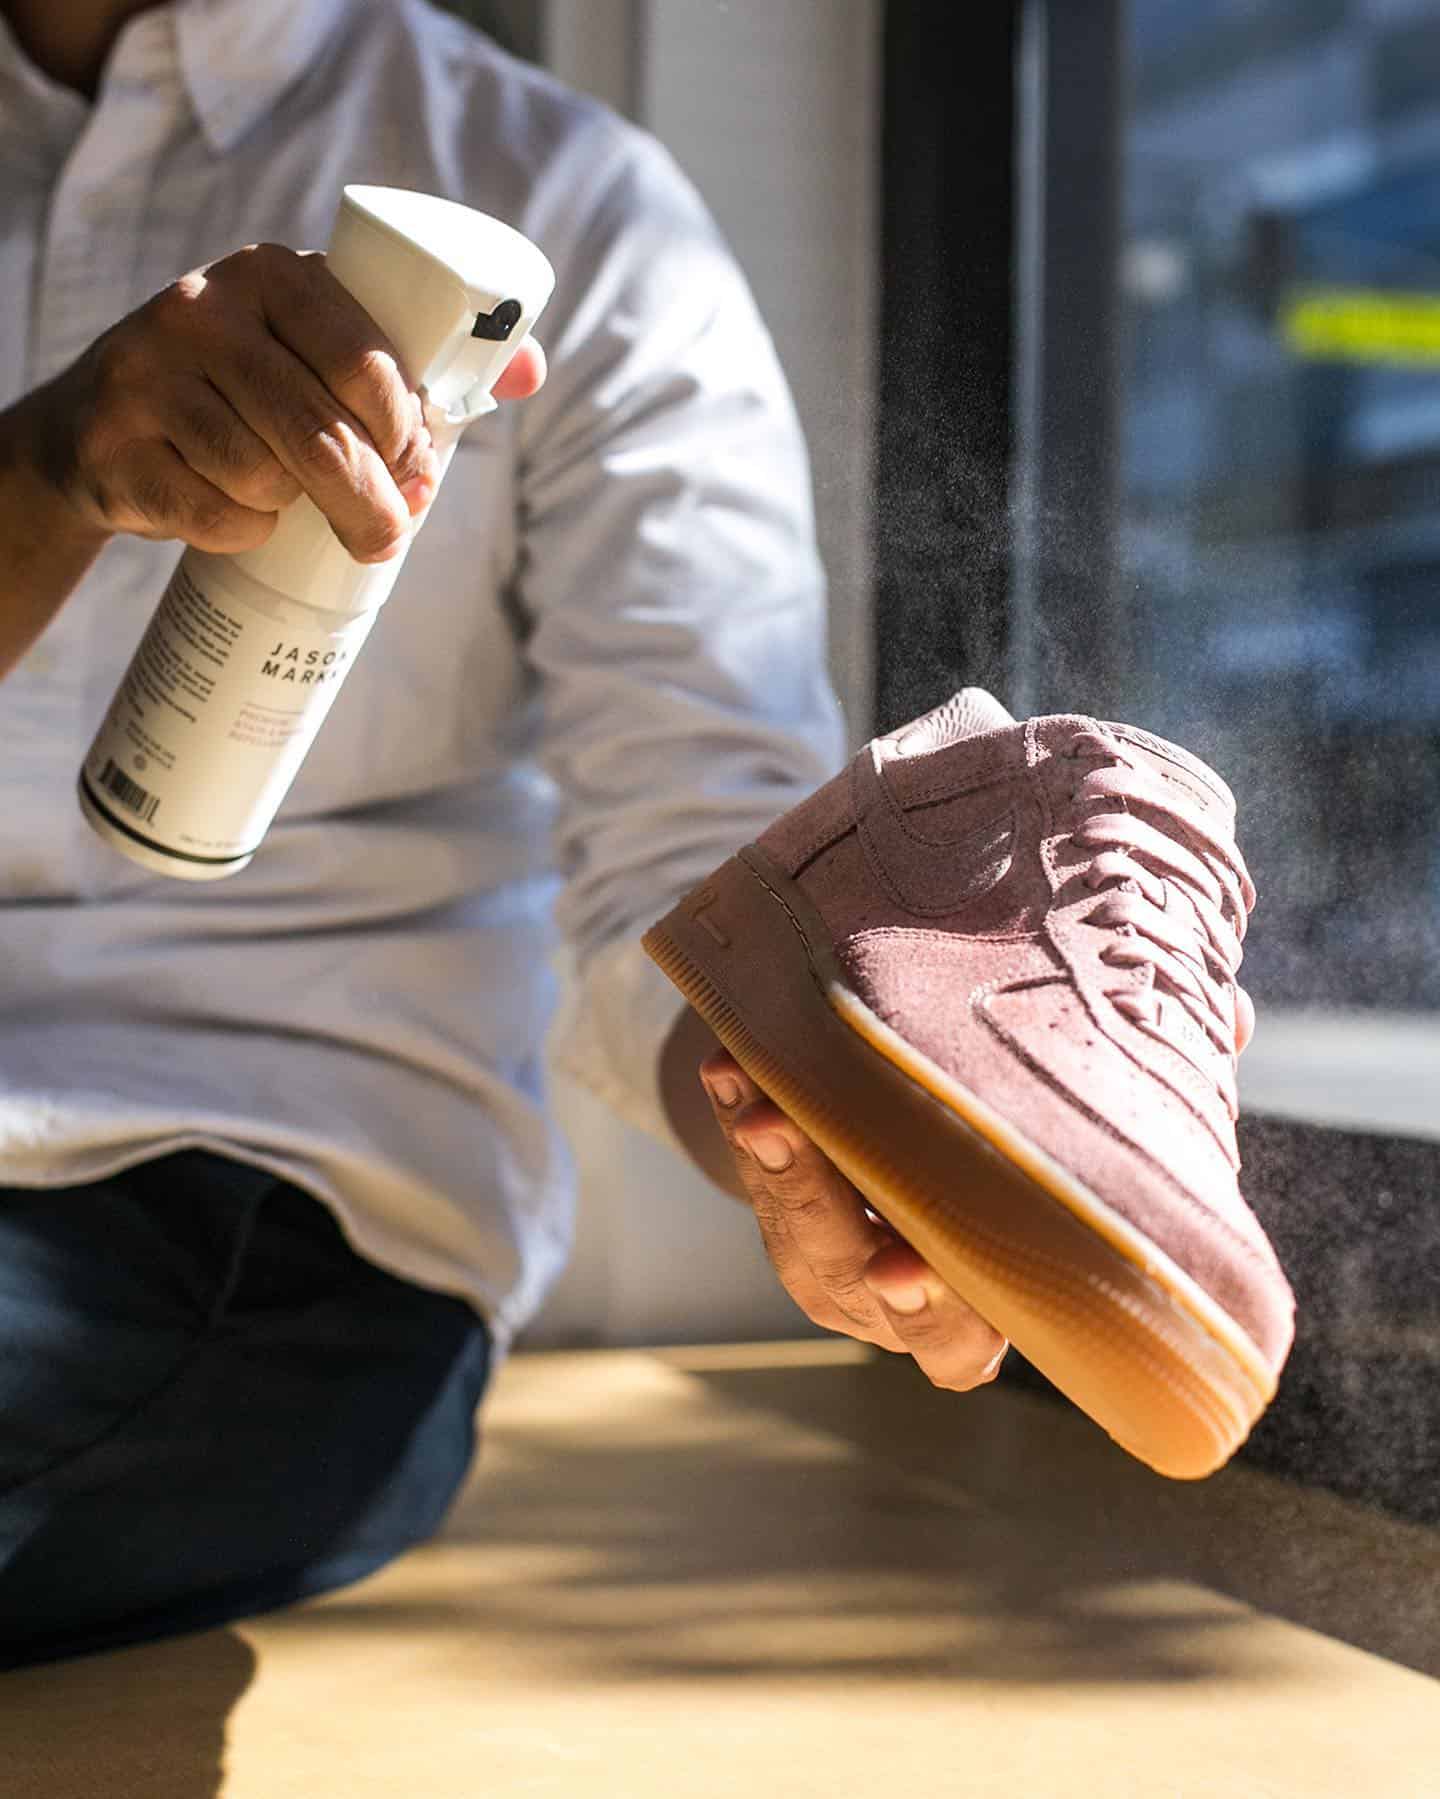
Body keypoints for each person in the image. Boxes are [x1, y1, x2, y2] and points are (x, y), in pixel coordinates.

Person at [0, 0, 1005, 1668]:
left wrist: (848, 1154)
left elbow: (698, 870)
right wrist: (40, 477)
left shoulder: (570, 205)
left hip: (271, 1200)